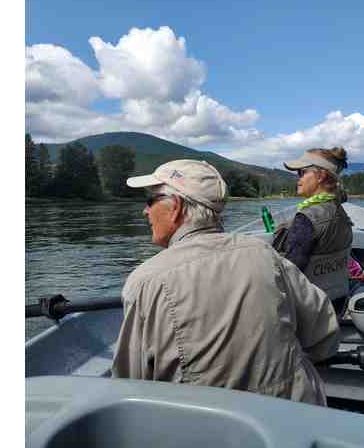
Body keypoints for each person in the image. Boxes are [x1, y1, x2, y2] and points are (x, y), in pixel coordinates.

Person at [112, 159, 340, 406]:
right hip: (298, 414)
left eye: (150, 201)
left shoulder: (145, 280)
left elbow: (130, 385)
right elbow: (324, 337)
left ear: (176, 206)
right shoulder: (264, 253)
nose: (145, 211)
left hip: (213, 429)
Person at [272, 148, 354, 314]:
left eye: (302, 172)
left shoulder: (306, 219)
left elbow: (289, 276)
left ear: (321, 176)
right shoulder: (339, 211)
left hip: (309, 312)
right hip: (335, 305)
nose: (298, 179)